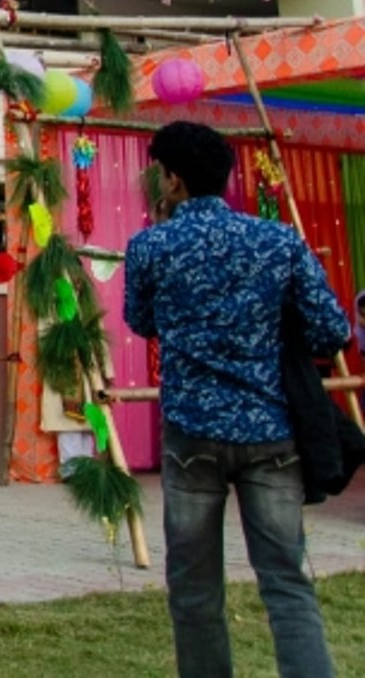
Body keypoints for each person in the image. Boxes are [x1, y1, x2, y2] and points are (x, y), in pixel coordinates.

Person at [124, 121, 350, 678]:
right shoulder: (278, 240)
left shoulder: (150, 246)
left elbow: (141, 321)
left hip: (191, 436)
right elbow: (332, 329)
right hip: (271, 433)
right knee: (286, 583)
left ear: (173, 180)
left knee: (194, 589)